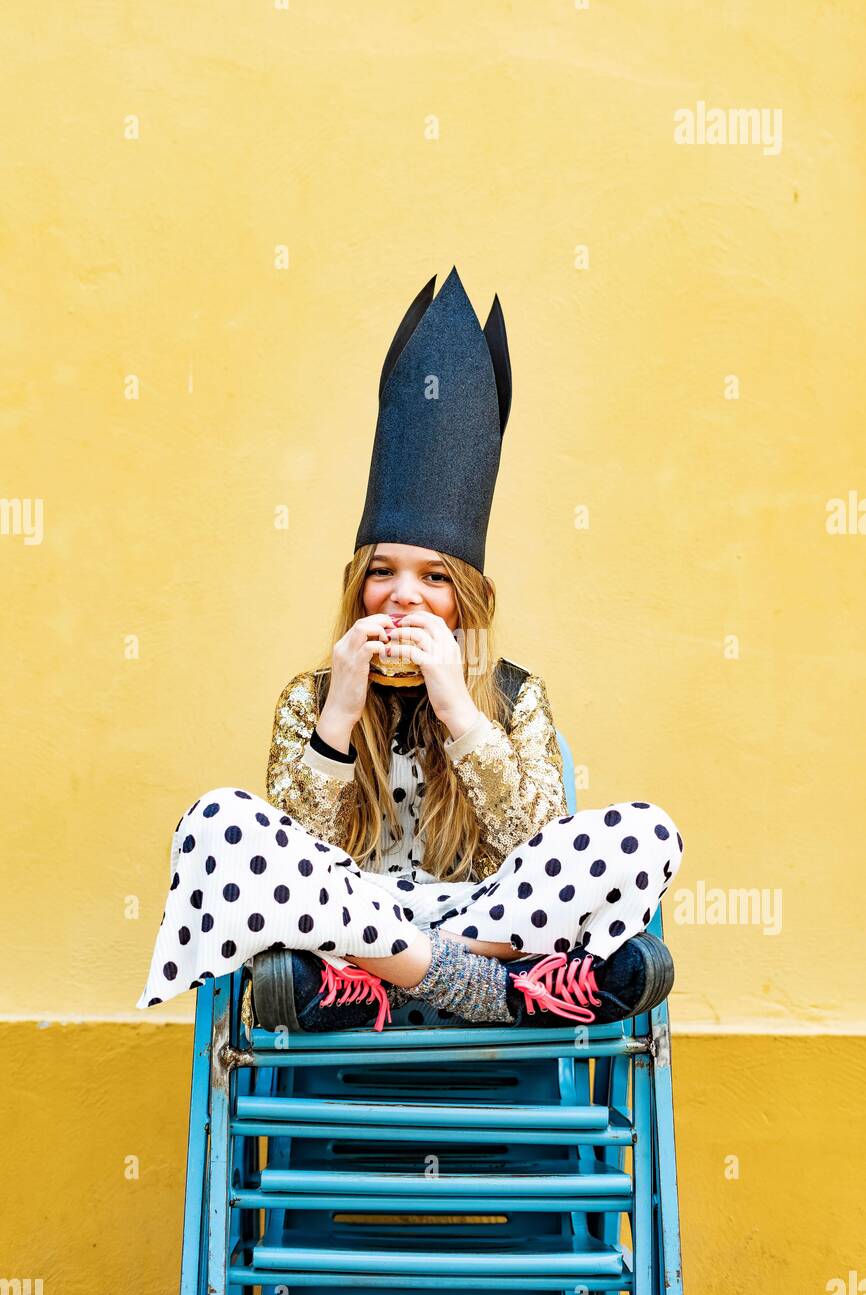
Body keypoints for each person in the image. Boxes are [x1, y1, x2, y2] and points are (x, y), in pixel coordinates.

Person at [136, 267, 684, 1032]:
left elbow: (537, 841)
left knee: (647, 831)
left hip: (485, 923)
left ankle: (391, 982)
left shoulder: (516, 697)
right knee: (215, 822)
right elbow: (297, 847)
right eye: (383, 573)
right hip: (353, 914)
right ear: (358, 587)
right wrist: (340, 714)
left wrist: (459, 709)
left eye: (433, 577)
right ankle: (493, 991)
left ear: (465, 598)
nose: (404, 595)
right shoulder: (311, 697)